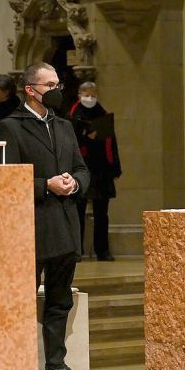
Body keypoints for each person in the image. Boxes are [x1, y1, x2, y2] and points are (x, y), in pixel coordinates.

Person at [0, 62, 92, 370]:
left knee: (59, 299)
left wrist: (73, 182)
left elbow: (82, 168)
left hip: (64, 224)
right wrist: (44, 184)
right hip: (31, 226)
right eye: (49, 85)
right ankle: (16, 365)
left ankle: (56, 365)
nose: (56, 90)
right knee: (22, 298)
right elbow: (2, 179)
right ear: (31, 90)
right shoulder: (11, 127)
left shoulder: (63, 126)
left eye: (57, 84)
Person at [68, 81, 121, 261]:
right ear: (79, 95)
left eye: (93, 94)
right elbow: (70, 143)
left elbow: (111, 143)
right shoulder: (73, 117)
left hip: (101, 170)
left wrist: (115, 168)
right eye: (86, 94)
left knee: (101, 213)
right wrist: (85, 137)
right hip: (81, 169)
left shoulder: (102, 114)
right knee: (78, 211)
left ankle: (102, 250)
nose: (89, 98)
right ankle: (77, 250)